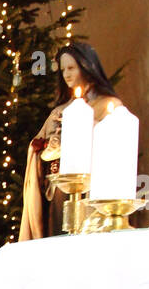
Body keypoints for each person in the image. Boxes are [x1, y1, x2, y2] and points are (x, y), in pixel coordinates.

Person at [20, 42, 120, 240]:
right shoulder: (59, 110)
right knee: (57, 236)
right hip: (57, 187)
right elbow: (38, 146)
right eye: (63, 69)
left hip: (91, 189)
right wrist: (48, 146)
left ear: (86, 67)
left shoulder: (108, 105)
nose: (66, 74)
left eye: (71, 68)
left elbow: (114, 147)